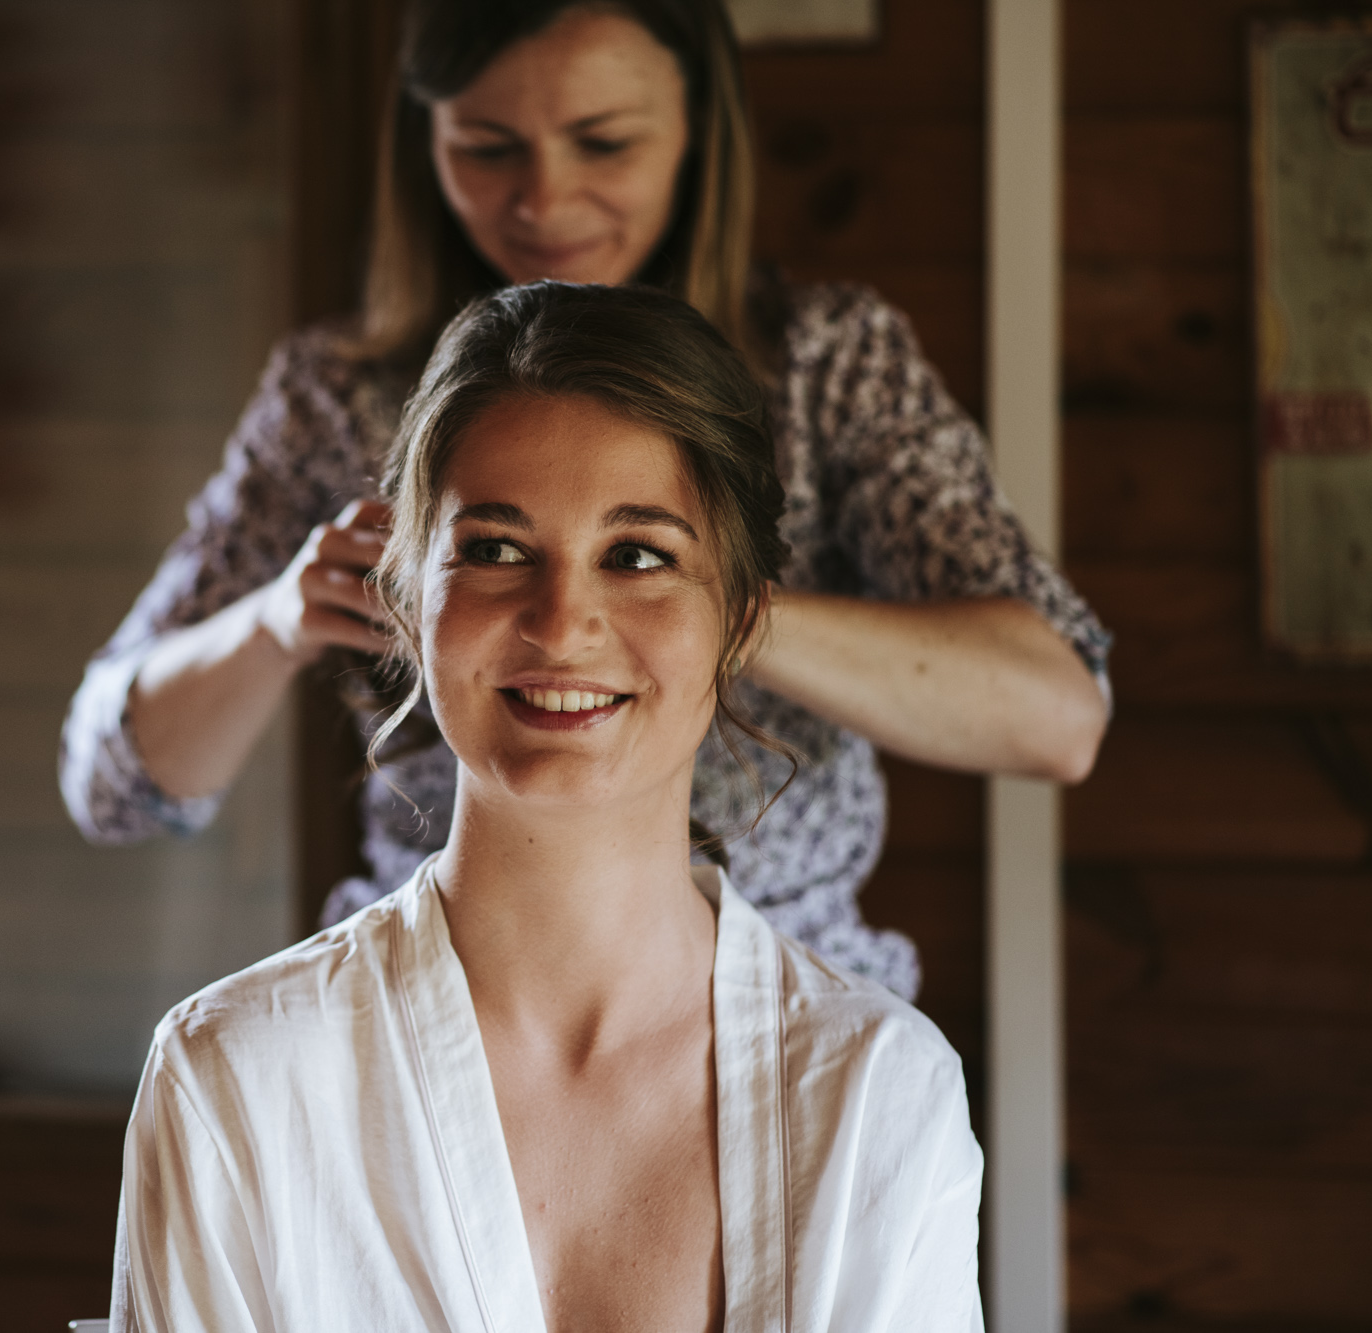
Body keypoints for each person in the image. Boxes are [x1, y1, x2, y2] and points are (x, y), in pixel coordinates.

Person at [61, 0, 1111, 999]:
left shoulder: (828, 364)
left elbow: (1057, 715)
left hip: (784, 983)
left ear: (697, 125)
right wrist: (274, 620)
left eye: (602, 143)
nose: (543, 201)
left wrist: (708, 608)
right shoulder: (333, 396)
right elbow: (108, 781)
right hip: (438, 989)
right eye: (487, 148)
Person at [110, 283, 984, 1330]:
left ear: (739, 621)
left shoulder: (881, 1090)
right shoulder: (235, 1078)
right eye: (493, 549)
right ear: (405, 603)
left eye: (638, 556)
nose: (562, 624)